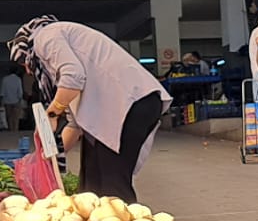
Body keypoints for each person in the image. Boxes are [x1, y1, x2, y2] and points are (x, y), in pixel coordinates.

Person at [10, 16, 172, 202]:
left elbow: (73, 76)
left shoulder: (45, 36)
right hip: (116, 108)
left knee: (111, 180)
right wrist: (49, 153)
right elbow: (74, 125)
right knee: (90, 183)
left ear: (26, 50)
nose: (29, 71)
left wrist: (52, 114)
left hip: (129, 102)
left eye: (25, 64)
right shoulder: (59, 70)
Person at [0, 64, 26, 131]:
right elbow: (20, 91)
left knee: (9, 118)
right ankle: (15, 130)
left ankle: (10, 130)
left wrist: (1, 101)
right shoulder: (18, 79)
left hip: (7, 101)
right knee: (16, 118)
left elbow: (3, 91)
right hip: (16, 101)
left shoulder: (5, 79)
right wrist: (20, 99)